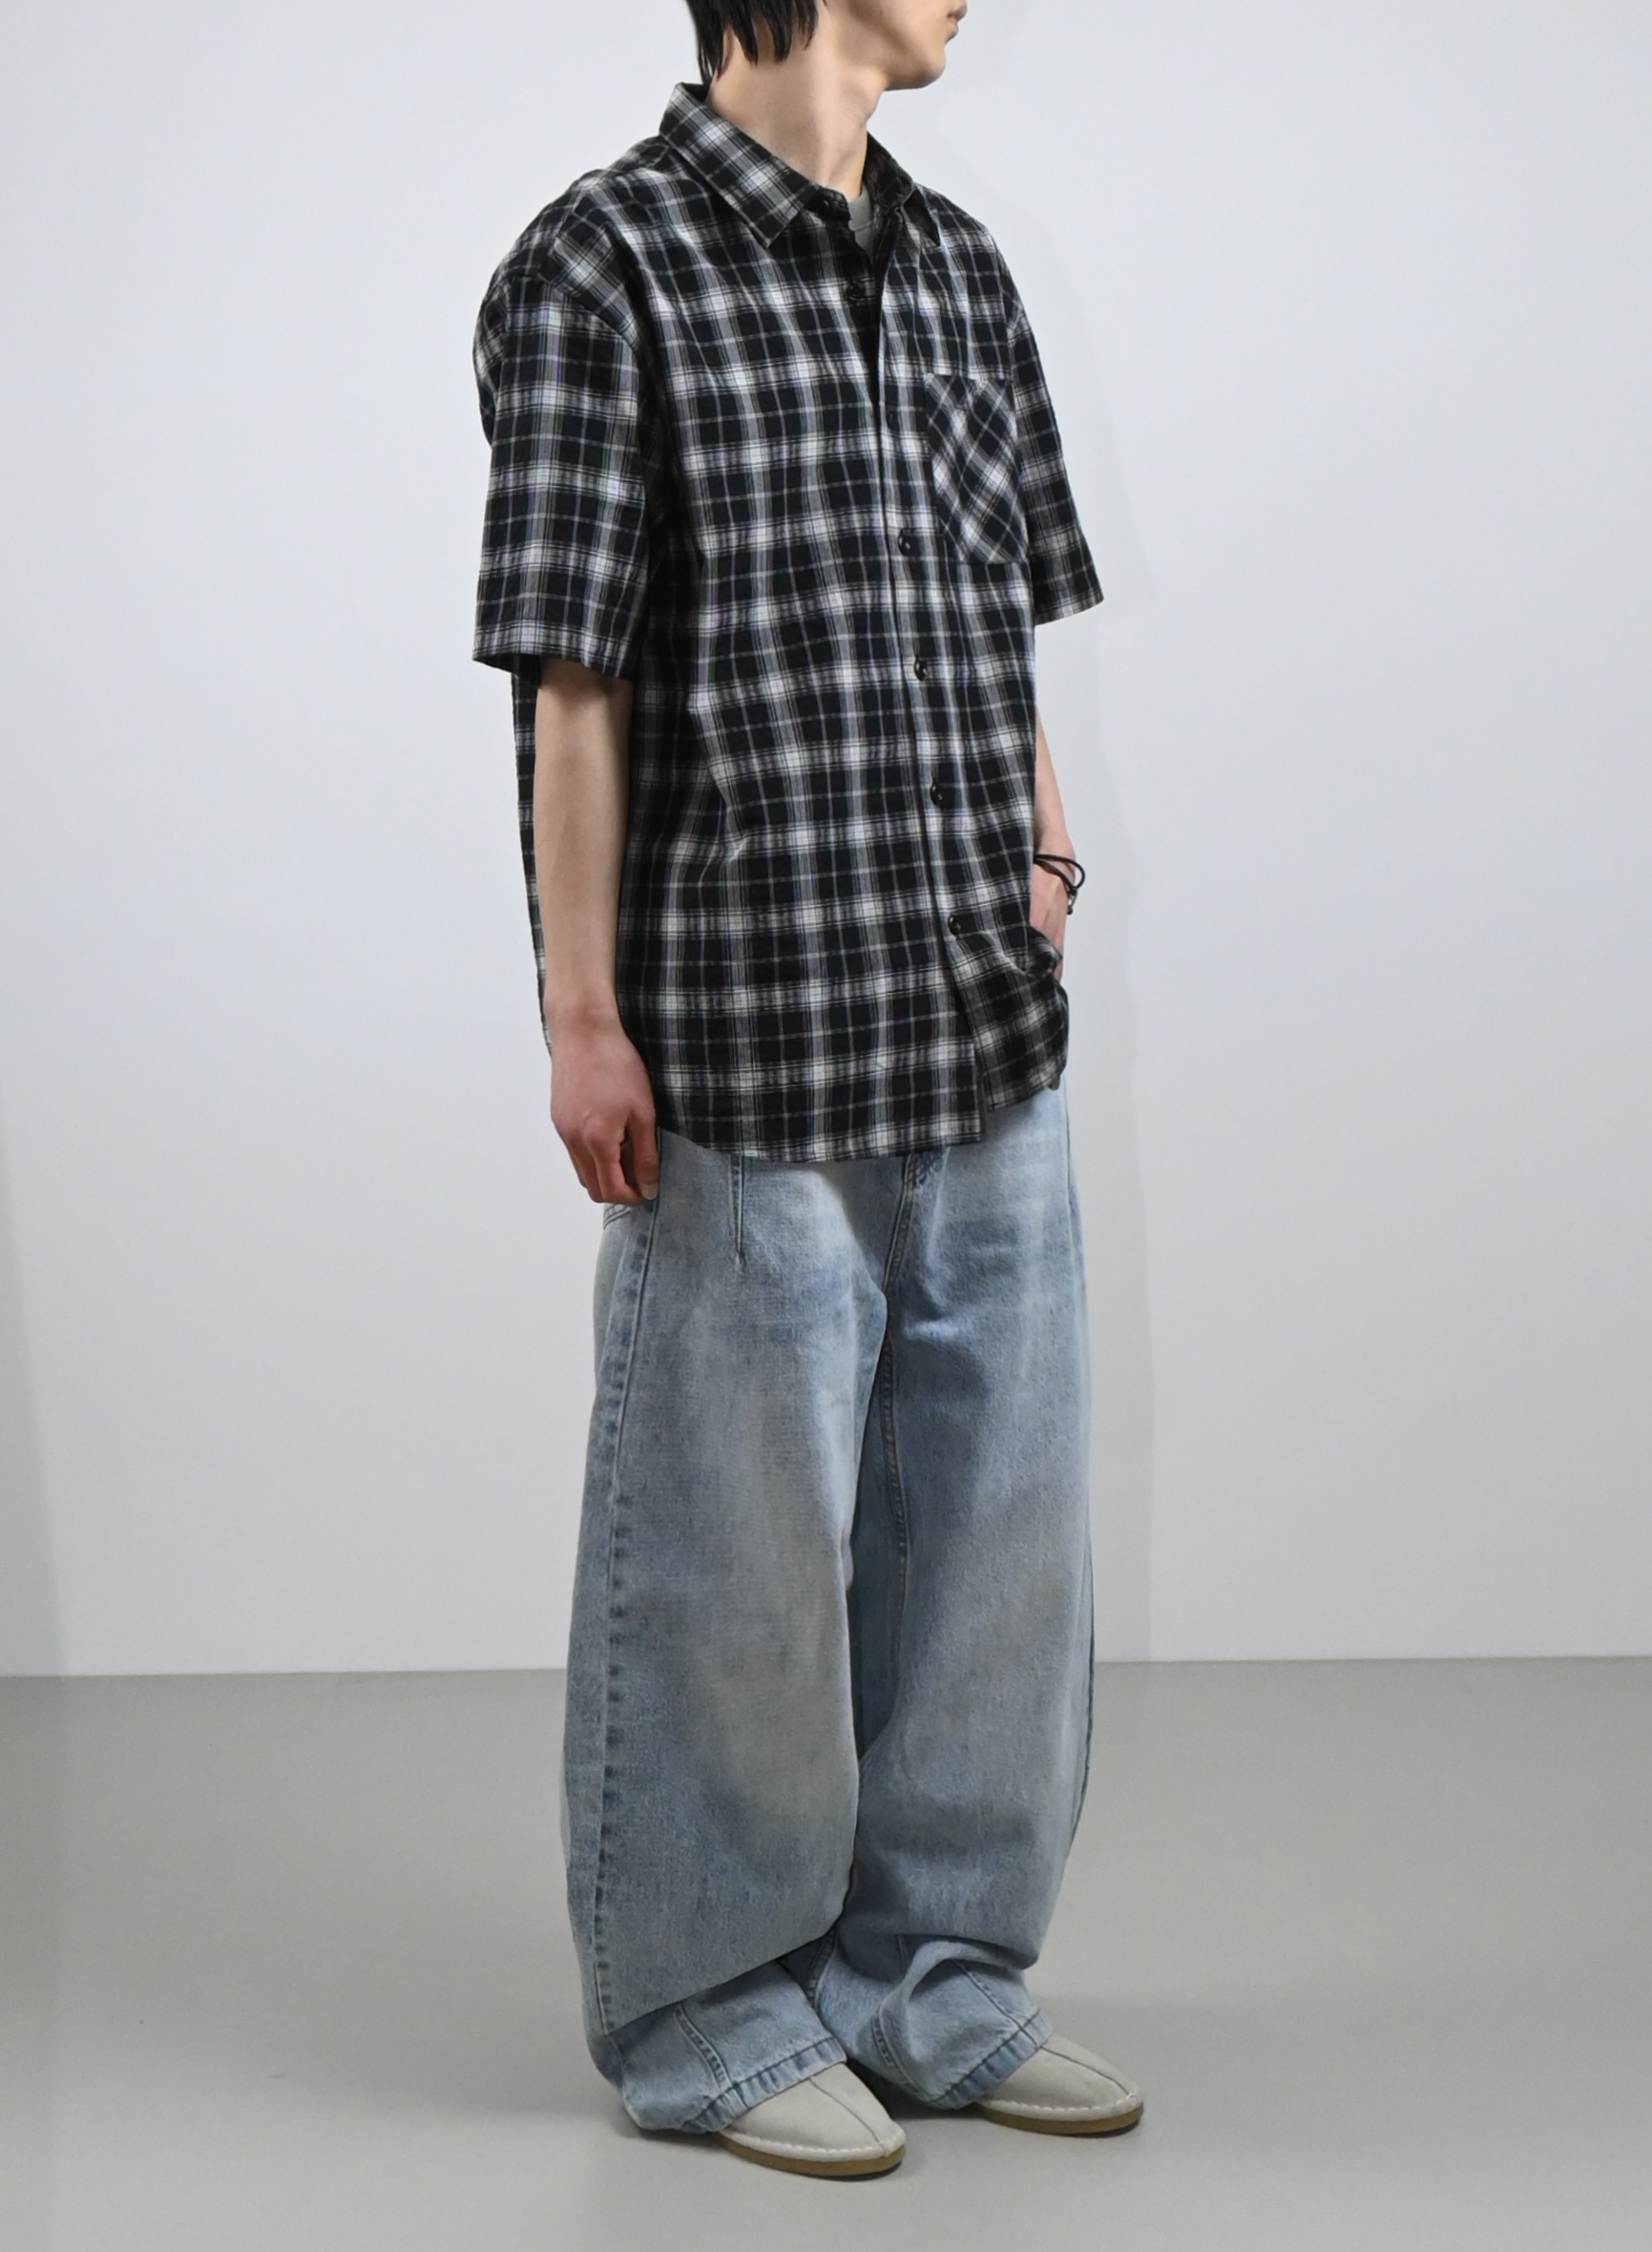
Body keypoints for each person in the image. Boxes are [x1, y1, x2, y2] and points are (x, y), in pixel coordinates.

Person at [472, 0, 1140, 2179]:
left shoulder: (960, 269)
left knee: (997, 1553)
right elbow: (573, 678)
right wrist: (580, 1009)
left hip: (977, 1025)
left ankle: (933, 1979)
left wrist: (1043, 858)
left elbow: (999, 616)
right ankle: (703, 2007)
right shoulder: (600, 265)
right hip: (747, 1045)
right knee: (731, 1569)